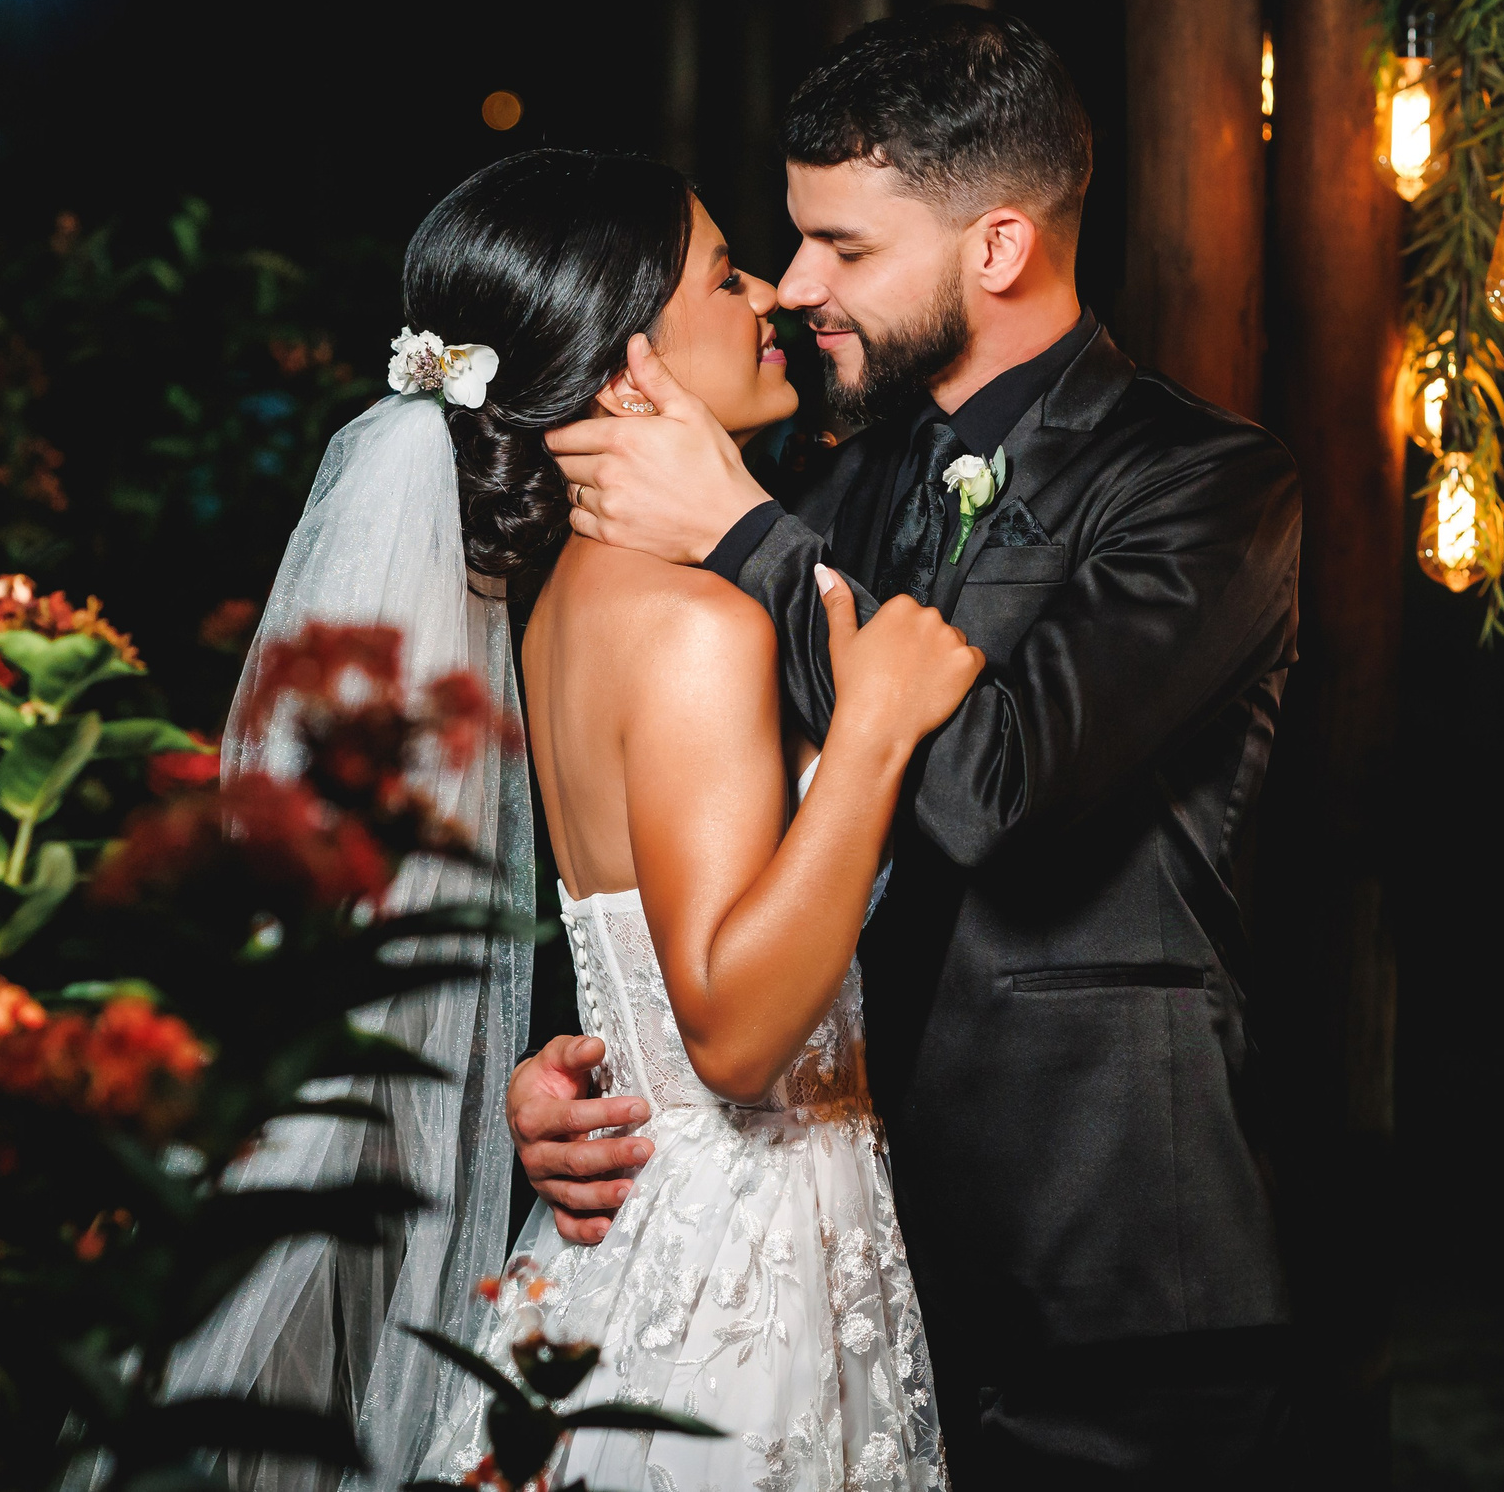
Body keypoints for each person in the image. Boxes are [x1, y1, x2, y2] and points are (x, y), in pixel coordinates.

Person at [523, 8, 1302, 1487]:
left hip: (1108, 1276)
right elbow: (684, 811)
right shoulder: (830, 470)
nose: (799, 284)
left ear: (996, 248)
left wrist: (746, 539)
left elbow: (994, 793)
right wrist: (578, 1060)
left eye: (847, 250)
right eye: (794, 239)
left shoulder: (1207, 488)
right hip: (845, 1257)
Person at [177, 149, 978, 1491]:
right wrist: (874, 736)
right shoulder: (694, 628)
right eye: (725, 277)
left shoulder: (559, 611)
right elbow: (726, 1029)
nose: (771, 300)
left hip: (641, 1241)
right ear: (627, 373)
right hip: (735, 1261)